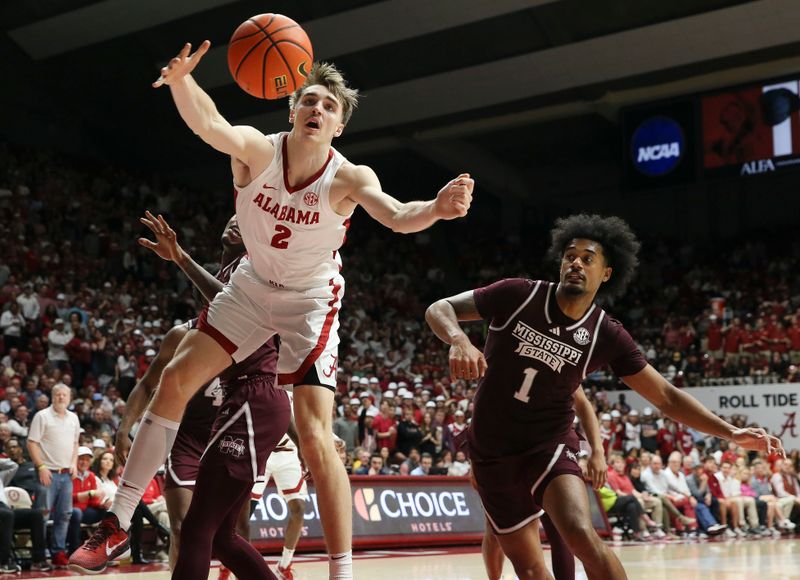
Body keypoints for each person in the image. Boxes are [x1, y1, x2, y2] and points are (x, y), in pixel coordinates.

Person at [73, 39, 473, 580]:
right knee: (174, 377)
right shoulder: (260, 151)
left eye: (329, 107)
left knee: (314, 433)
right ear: (291, 110)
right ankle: (119, 518)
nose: (317, 110)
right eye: (309, 101)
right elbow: (212, 126)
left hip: (310, 301)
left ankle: (342, 571)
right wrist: (182, 83)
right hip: (252, 286)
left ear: (338, 128)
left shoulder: (350, 177)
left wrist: (438, 210)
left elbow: (400, 216)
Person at [425, 214, 783, 579]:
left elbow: (666, 397)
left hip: (548, 443)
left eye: (587, 257)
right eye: (570, 255)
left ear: (606, 273)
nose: (576, 263)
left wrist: (731, 433)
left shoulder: (605, 334)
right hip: (491, 447)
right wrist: (458, 339)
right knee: (530, 569)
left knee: (581, 533)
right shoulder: (519, 294)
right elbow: (439, 308)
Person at [73, 215, 285, 578]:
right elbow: (145, 384)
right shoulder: (191, 331)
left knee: (204, 531)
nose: (235, 220)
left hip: (252, 404)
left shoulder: (259, 268)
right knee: (216, 537)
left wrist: (181, 259)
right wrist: (126, 426)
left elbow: (234, 300)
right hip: (209, 427)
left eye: (242, 218)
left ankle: (120, 517)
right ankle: (118, 521)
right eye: (231, 216)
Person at [250, 400, 308, 580]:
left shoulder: (296, 390)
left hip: (289, 454)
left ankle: (285, 564)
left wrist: (333, 438)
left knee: (298, 508)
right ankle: (228, 563)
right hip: (261, 451)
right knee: (244, 513)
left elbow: (310, 420)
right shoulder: (263, 383)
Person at [27, 383, 80, 569]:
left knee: (64, 515)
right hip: (46, 472)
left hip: (66, 474)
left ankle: (58, 553)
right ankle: (39, 557)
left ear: (69, 397)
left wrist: (74, 463)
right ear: (52, 396)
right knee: (41, 515)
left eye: (64, 395)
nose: (61, 398)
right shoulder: (42, 416)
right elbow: (31, 443)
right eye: (57, 394)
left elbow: (75, 443)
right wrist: (40, 466)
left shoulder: (74, 417)